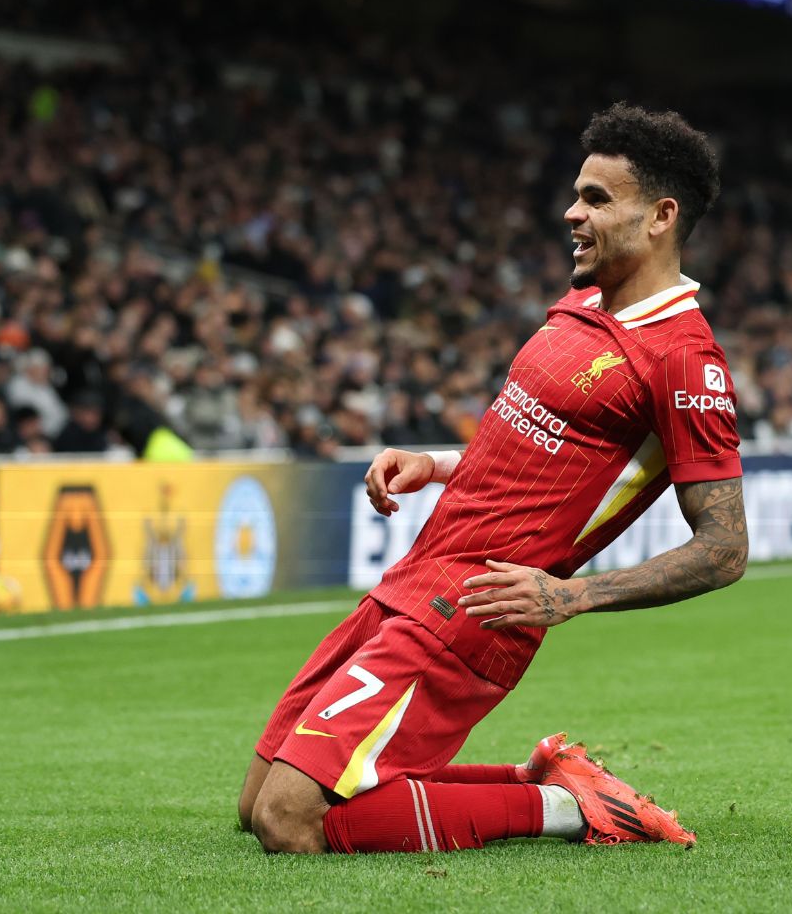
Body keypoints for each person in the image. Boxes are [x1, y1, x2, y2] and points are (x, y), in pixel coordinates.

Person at [240, 104, 749, 854]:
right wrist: (436, 464)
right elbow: (536, 443)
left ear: (660, 217)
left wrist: (573, 595)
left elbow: (724, 547)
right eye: (578, 194)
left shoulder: (682, 358)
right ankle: (544, 781)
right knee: (254, 803)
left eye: (597, 199)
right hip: (414, 577)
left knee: (289, 821)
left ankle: (574, 812)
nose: (572, 213)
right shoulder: (580, 304)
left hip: (475, 608)